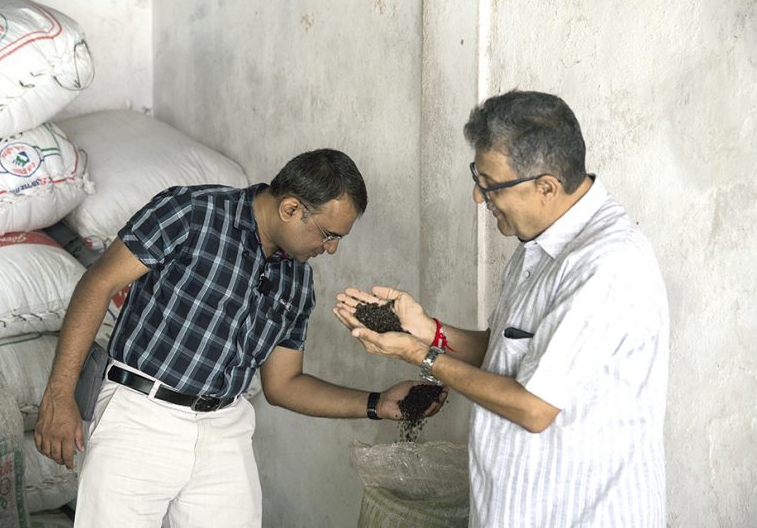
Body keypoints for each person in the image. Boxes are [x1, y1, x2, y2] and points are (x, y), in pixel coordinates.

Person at [35, 148, 441, 527]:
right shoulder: (192, 213)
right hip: (142, 417)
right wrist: (59, 394)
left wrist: (377, 403)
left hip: (225, 430)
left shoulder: (297, 278)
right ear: (290, 208)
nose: (330, 248)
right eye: (328, 234)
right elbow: (97, 284)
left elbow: (284, 385)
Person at [334, 91, 669, 527]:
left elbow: (534, 408)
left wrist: (419, 356)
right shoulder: (537, 244)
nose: (479, 196)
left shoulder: (606, 264)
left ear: (546, 186)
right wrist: (424, 329)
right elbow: (506, 352)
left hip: (580, 514)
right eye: (478, 177)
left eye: (491, 185)